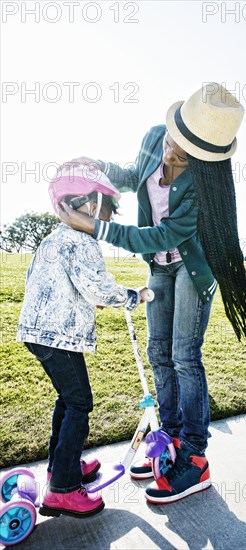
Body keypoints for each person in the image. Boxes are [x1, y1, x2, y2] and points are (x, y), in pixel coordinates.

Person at [59, 83, 246, 504]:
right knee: (158, 352)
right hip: (159, 266)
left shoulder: (204, 181)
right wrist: (100, 164)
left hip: (193, 267)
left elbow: (164, 233)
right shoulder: (151, 138)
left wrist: (98, 228)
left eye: (183, 158)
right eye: (172, 147)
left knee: (183, 355)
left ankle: (195, 458)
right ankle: (172, 440)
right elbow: (131, 177)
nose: (169, 159)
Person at [17, 166, 146, 517]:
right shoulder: (82, 241)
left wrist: (95, 296)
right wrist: (135, 296)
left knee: (68, 398)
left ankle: (63, 467)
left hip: (40, 333)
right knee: (79, 403)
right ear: (88, 206)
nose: (106, 222)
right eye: (106, 212)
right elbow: (96, 287)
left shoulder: (53, 238)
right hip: (58, 335)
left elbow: (67, 283)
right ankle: (62, 489)